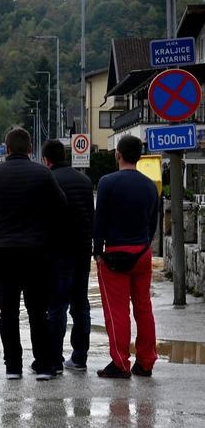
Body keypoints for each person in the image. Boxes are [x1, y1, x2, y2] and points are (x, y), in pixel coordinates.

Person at [0, 127, 67, 381]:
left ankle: (13, 366)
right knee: (37, 310)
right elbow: (61, 207)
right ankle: (44, 365)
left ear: (6, 149)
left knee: (8, 311)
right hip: (37, 251)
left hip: (4, 252)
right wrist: (44, 232)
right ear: (29, 149)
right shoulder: (43, 174)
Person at [93, 135, 159, 379]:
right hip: (142, 253)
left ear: (118, 154)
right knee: (144, 308)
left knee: (117, 311)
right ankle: (146, 362)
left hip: (115, 255)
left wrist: (97, 251)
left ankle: (120, 363)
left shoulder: (107, 182)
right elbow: (154, 223)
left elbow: (99, 221)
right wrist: (144, 245)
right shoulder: (151, 185)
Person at [41, 139, 93, 374]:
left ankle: (54, 360)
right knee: (81, 307)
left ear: (46, 160)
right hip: (82, 251)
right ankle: (80, 358)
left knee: (57, 307)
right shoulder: (84, 181)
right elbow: (90, 217)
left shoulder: (48, 180)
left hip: (57, 252)